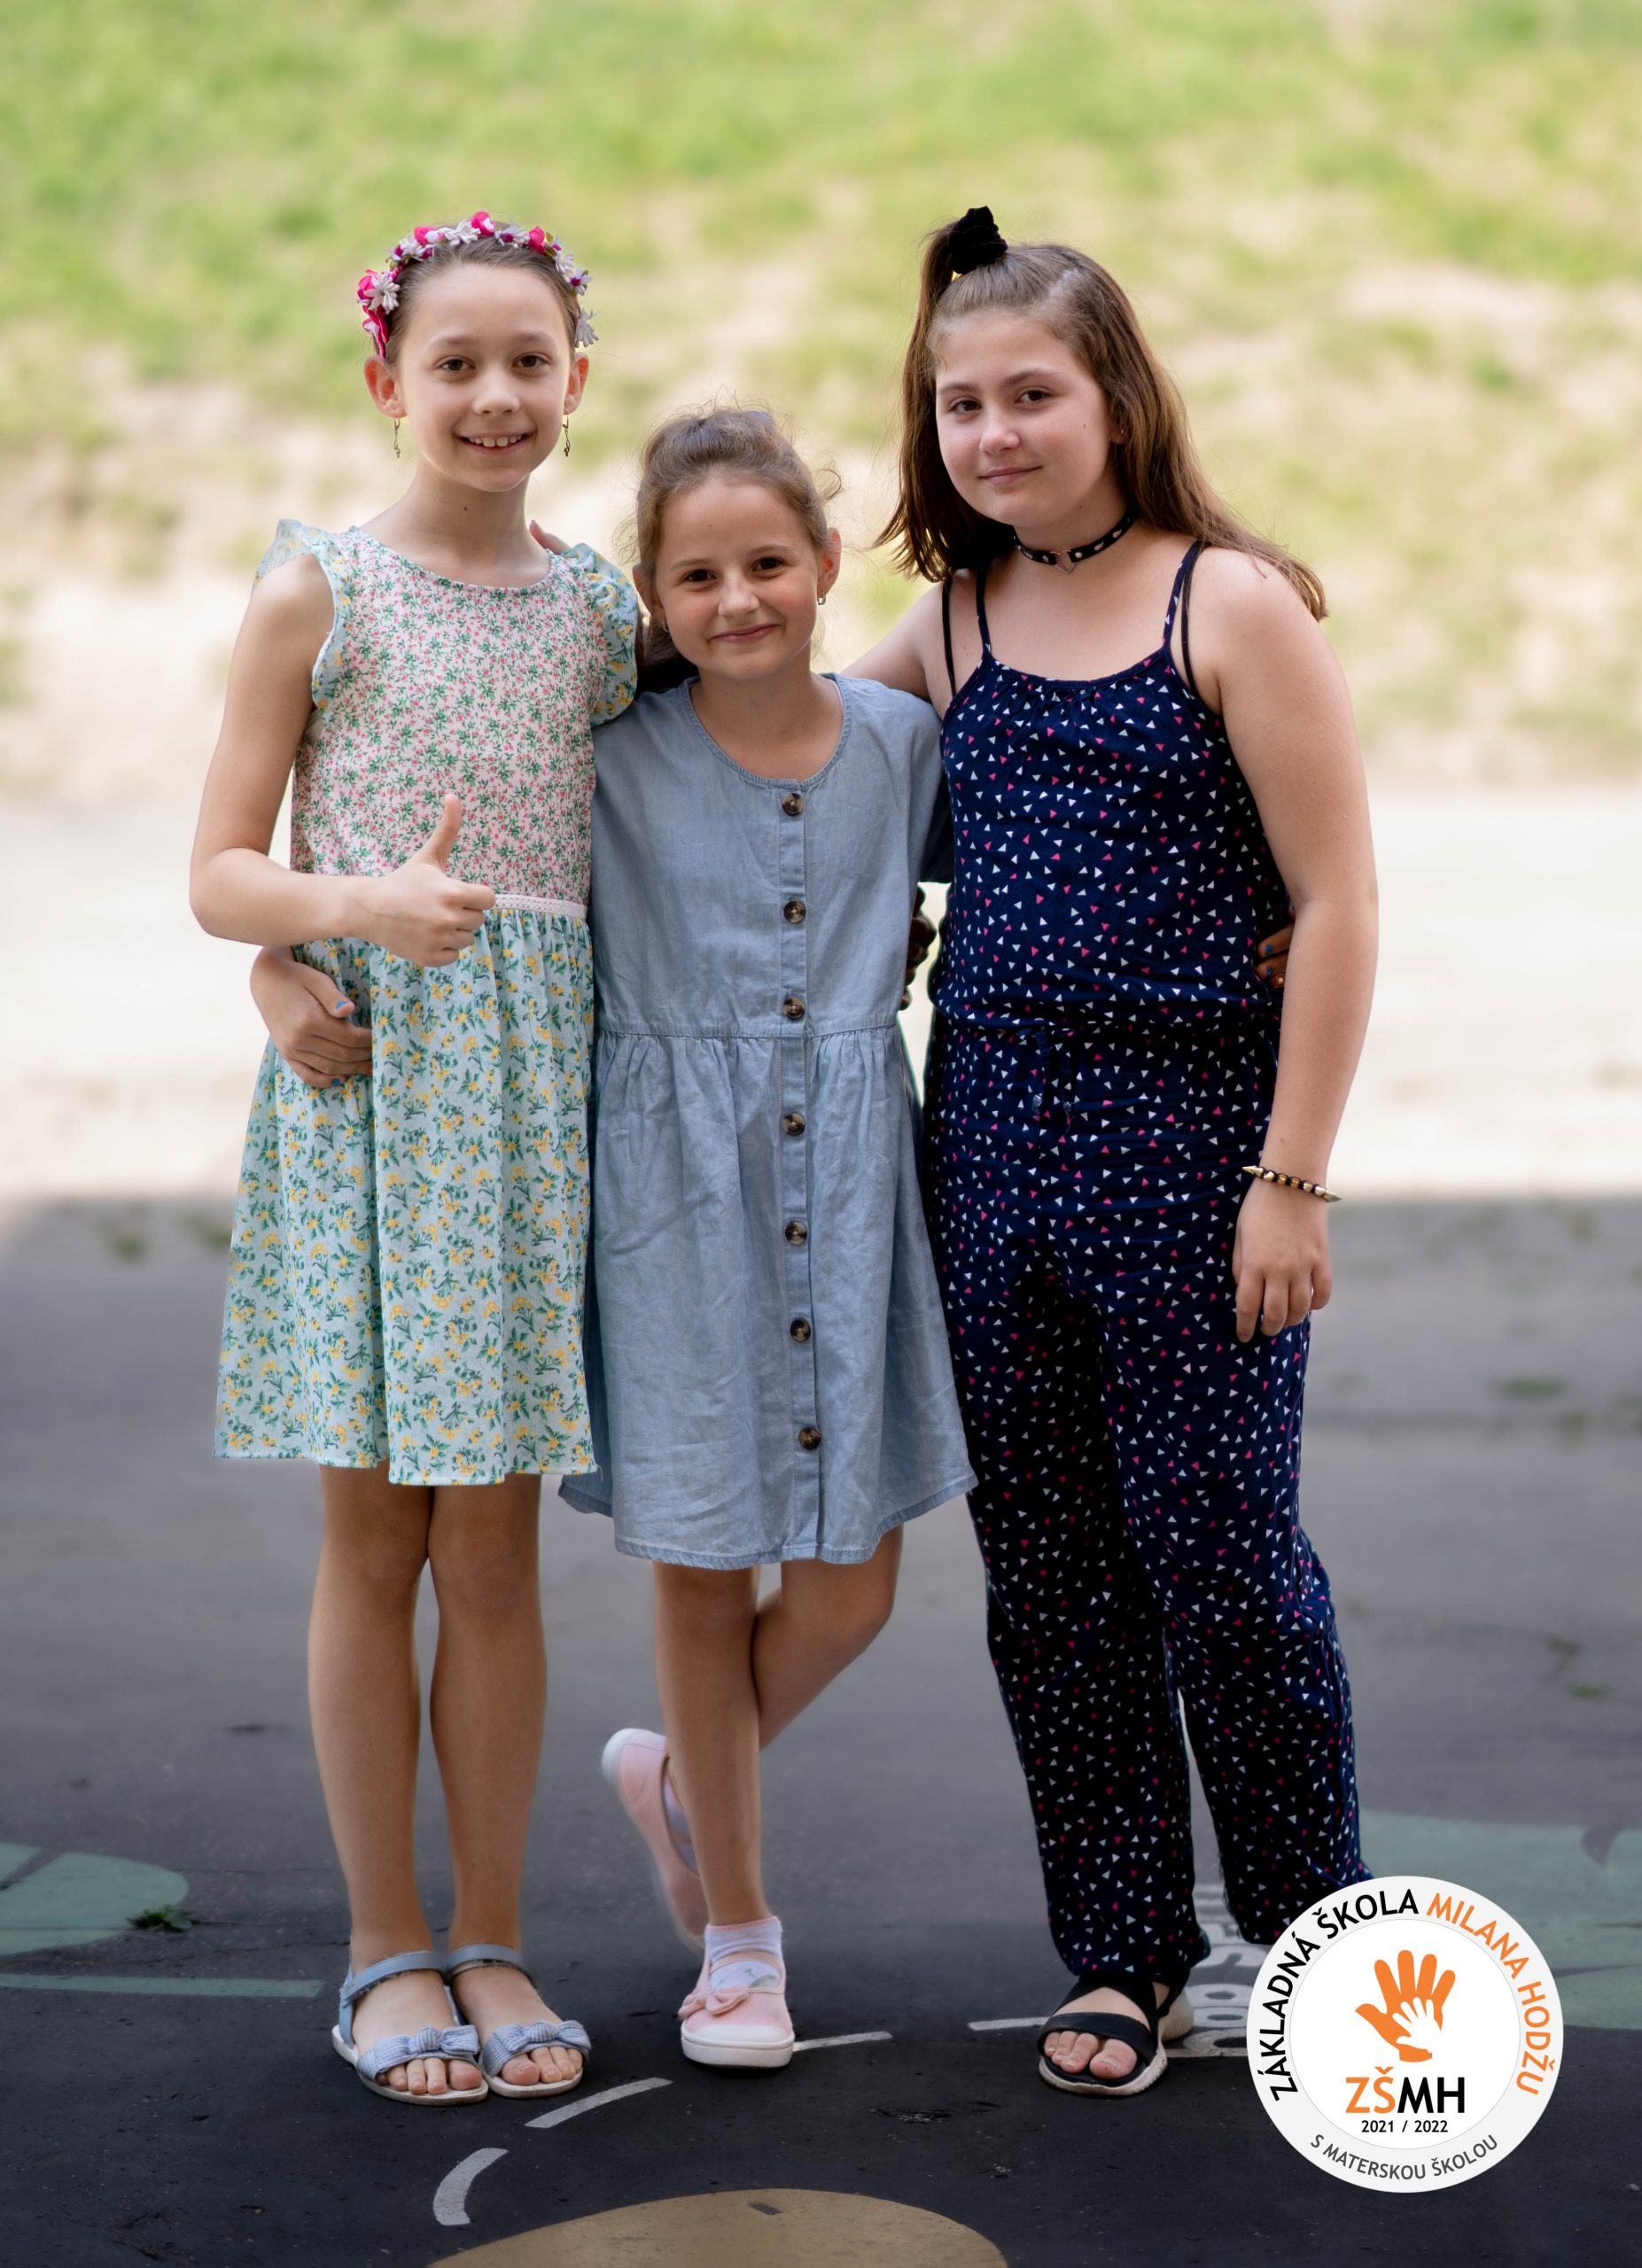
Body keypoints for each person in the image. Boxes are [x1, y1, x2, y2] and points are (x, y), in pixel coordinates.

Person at [253, 405, 976, 2074]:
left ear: (827, 562)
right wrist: (283, 961)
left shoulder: (900, 743)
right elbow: (394, 841)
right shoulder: (613, 751)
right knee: (702, 1565)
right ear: (649, 598)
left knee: (850, 1588)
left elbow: (1060, 840)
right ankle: (739, 1941)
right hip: (666, 1204)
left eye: (770, 562)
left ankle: (679, 1776)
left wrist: (1267, 915)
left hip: (853, 1199)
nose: (738, 599)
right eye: (696, 576)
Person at [852, 206, 1377, 2098]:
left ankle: (1315, 1943)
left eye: (1032, 396)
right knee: (1054, 1579)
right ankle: (1126, 1949)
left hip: (1196, 1167)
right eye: (961, 405)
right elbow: (791, 770)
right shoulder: (953, 621)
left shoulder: (1221, 605)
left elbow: (1336, 902)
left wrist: (1290, 1178)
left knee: (1226, 1568)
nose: (995, 433)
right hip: (989, 1163)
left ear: (1116, 401)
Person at [191, 212, 636, 2105]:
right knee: (375, 1540)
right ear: (388, 380)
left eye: (528, 360)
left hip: (526, 1116)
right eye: (455, 363)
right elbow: (222, 868)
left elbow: (742, 742)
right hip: (369, 1100)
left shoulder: (602, 614)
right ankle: (387, 1944)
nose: (493, 395)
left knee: (498, 1549)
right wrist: (327, 924)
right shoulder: (321, 589)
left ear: (576, 383)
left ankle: (495, 1933)